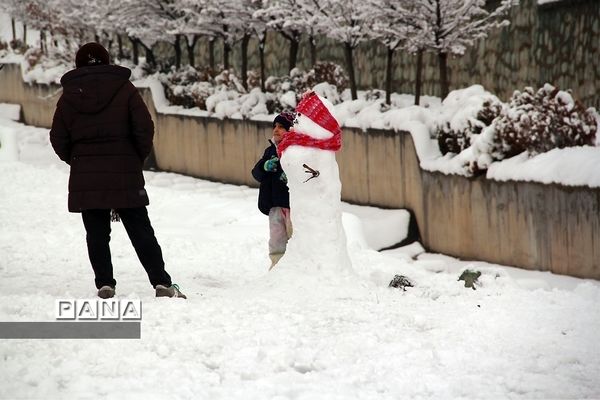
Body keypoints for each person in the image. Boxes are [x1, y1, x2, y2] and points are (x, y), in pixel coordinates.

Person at [49, 42, 186, 299]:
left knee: (97, 232)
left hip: (86, 175)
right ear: (107, 60)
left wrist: (78, 161)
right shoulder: (125, 88)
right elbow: (144, 127)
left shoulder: (69, 95)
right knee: (140, 228)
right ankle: (162, 283)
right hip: (125, 171)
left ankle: (105, 284)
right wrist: (134, 158)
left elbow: (58, 137)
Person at [252, 111, 295, 269]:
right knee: (277, 238)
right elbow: (256, 173)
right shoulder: (270, 151)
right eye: (274, 126)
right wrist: (264, 166)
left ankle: (297, 265)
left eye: (281, 127)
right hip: (274, 205)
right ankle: (277, 265)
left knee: (294, 235)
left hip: (291, 204)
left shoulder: (295, 151)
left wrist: (290, 176)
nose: (276, 130)